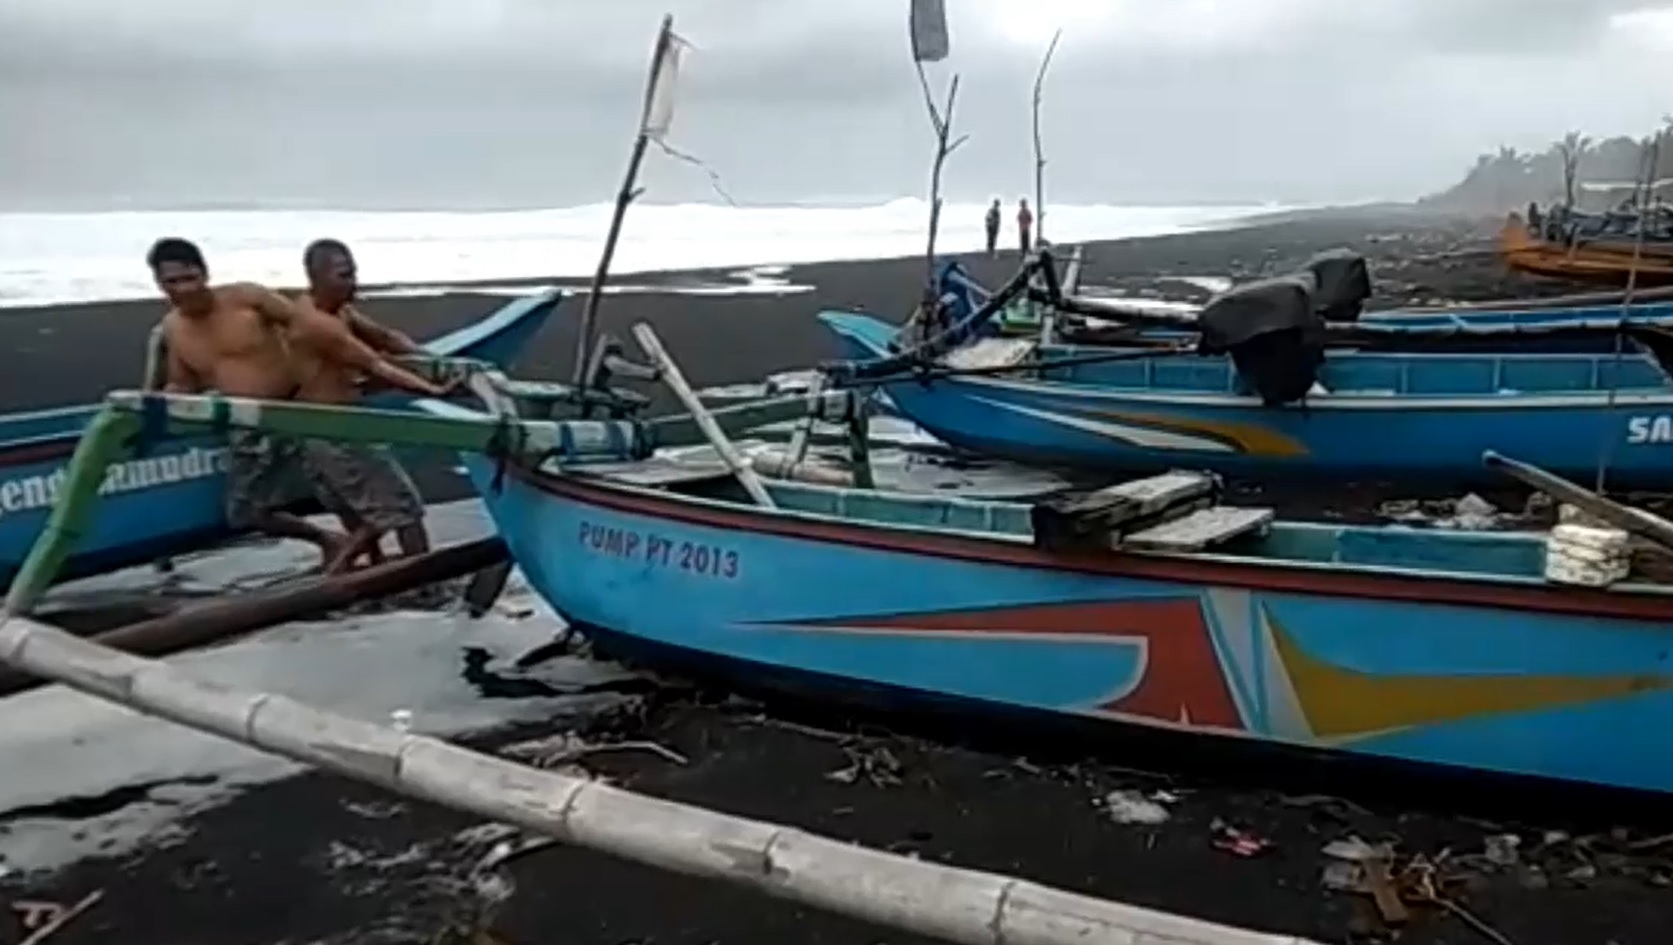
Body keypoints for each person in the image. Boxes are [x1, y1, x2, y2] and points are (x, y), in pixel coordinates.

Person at [147, 237, 454, 573]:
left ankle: (381, 566)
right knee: (248, 512)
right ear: (159, 285)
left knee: (350, 493)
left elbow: (313, 325)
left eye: (188, 278)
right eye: (171, 283)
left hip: (300, 407)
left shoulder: (247, 298)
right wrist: (168, 398)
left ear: (204, 274)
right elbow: (184, 382)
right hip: (252, 424)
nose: (183, 290)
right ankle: (331, 544)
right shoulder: (173, 330)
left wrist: (368, 360)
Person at [292, 238, 434, 568]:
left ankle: (371, 573)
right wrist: (432, 389)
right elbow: (376, 364)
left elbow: (385, 338)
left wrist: (433, 360)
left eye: (353, 273)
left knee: (363, 517)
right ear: (317, 278)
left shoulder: (339, 310)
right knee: (403, 509)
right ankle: (424, 583)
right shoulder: (318, 325)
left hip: (331, 428)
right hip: (333, 430)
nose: (353, 282)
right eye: (343, 276)